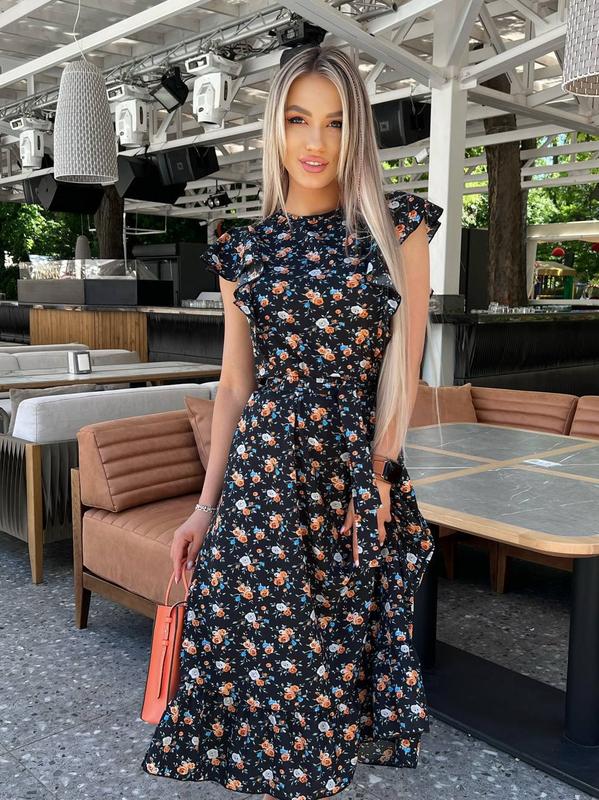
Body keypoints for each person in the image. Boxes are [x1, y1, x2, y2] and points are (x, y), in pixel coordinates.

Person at [141, 44, 443, 800]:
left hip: (348, 473)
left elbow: (403, 368)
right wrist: (204, 507)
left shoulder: (397, 227)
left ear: (357, 133)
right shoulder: (243, 248)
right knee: (260, 671)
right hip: (262, 482)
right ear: (275, 127)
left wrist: (379, 475)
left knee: (332, 664)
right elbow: (234, 386)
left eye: (336, 123)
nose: (316, 142)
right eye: (299, 120)